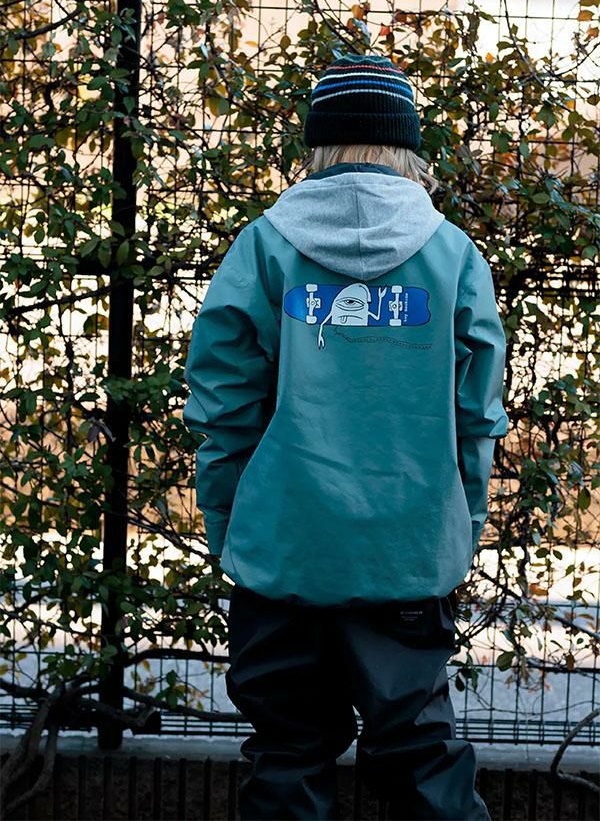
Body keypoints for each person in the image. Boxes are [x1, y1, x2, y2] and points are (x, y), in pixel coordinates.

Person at [183, 52, 509, 820]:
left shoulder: (264, 247)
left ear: (318, 143)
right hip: (408, 553)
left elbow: (222, 408)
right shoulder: (453, 255)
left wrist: (230, 527)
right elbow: (478, 416)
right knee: (423, 758)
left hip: (282, 550)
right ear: (407, 144)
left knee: (289, 756)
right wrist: (460, 527)